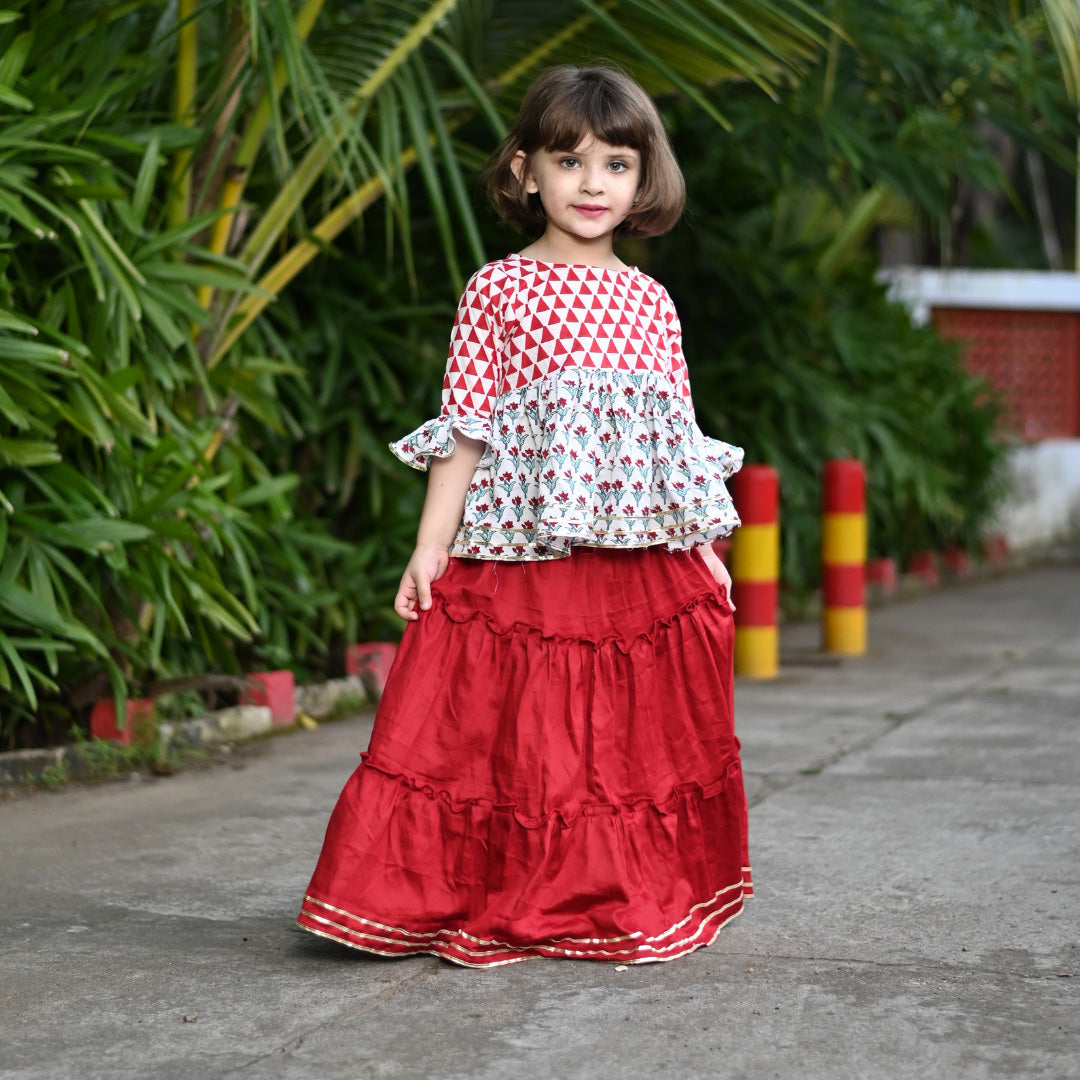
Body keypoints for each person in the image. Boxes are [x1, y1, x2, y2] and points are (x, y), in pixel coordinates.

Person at [298, 64, 751, 967]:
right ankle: (474, 890)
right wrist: (429, 547)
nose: (594, 185)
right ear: (523, 173)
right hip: (519, 551)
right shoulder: (496, 291)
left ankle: (606, 893)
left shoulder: (652, 303)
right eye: (570, 161)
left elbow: (675, 443)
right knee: (517, 731)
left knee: (615, 740)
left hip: (633, 560)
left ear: (643, 179)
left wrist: (706, 550)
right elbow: (463, 431)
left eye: (618, 164)